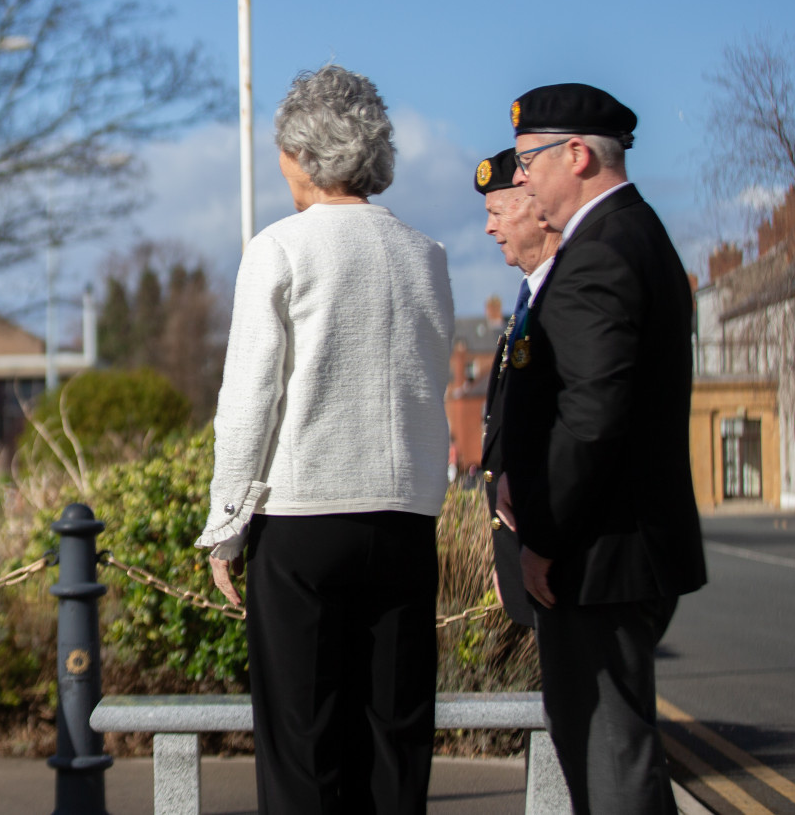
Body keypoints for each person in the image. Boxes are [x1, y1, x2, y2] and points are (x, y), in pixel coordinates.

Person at [198, 65, 455, 814]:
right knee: (395, 746)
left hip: (304, 517)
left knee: (303, 748)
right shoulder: (428, 256)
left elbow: (249, 399)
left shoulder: (279, 249)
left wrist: (226, 526)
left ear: (305, 155)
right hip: (405, 519)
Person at [494, 83, 706, 814]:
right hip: (616, 551)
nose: (522, 179)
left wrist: (543, 539)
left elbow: (591, 418)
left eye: (529, 161)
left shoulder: (600, 253)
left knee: (612, 768)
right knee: (614, 762)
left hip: (596, 558)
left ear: (578, 155)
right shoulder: (632, 235)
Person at [472, 148, 560, 625]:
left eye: (497, 212)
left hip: (559, 554)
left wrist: (539, 543)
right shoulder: (529, 299)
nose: (489, 228)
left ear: (534, 205)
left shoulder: (564, 292)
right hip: (528, 554)